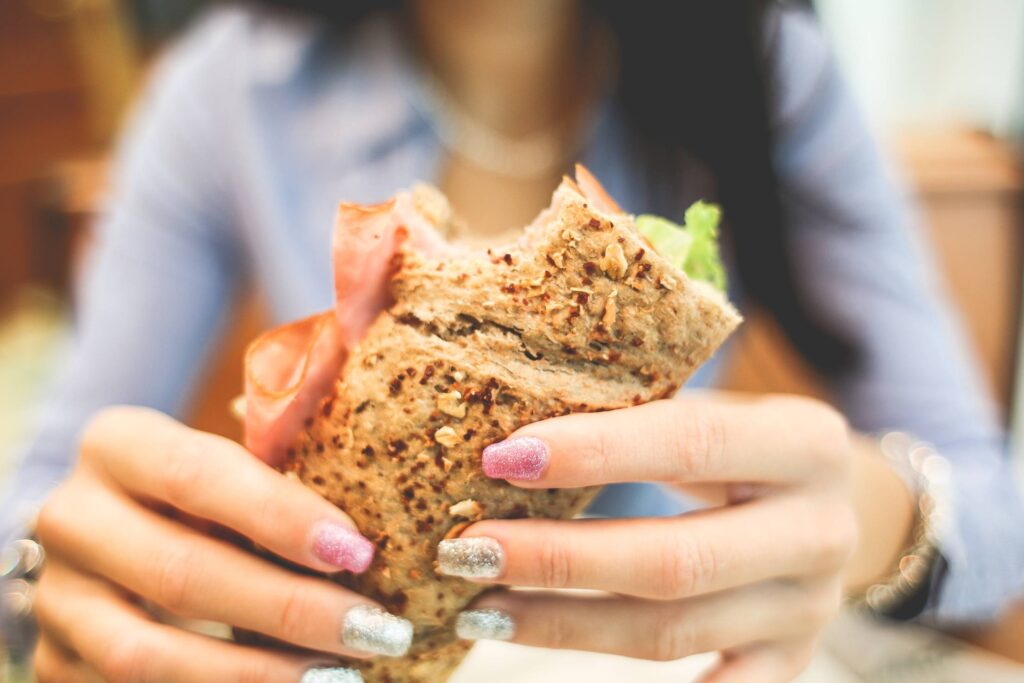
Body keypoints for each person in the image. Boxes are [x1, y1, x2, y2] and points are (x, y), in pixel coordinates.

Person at [4, 1, 1023, 681]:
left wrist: (860, 514)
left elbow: (994, 508)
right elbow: (44, 485)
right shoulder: (226, 84)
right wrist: (64, 566)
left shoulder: (760, 54)